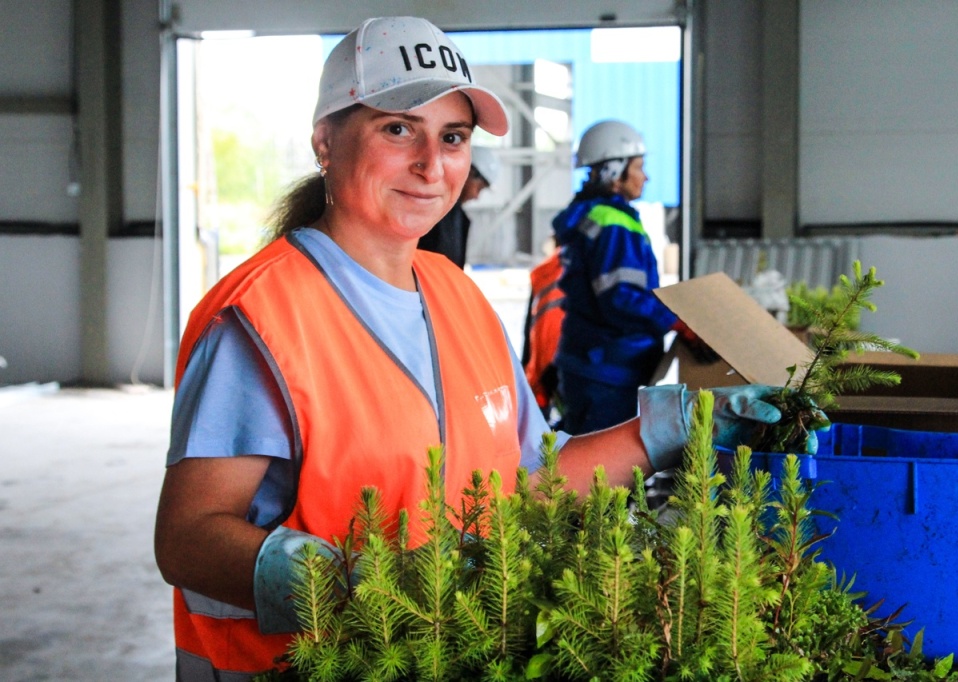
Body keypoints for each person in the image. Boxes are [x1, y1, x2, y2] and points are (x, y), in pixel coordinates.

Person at [153, 17, 790, 681]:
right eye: (398, 129)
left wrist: (673, 426)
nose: (432, 164)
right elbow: (188, 538)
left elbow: (530, 485)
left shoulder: (457, 296)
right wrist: (365, 584)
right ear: (325, 141)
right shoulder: (260, 318)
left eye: (452, 137)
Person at [552, 120, 694, 435]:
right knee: (598, 472)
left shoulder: (591, 215)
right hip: (606, 369)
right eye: (639, 166)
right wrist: (674, 320)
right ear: (614, 172)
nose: (646, 176)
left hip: (591, 363)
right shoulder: (615, 223)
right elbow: (620, 296)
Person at [417, 145, 500, 268]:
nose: (476, 196)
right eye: (479, 188)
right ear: (469, 172)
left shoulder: (457, 215)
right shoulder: (431, 208)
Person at [522, 241, 566, 425]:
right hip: (568, 362)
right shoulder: (582, 265)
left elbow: (530, 334)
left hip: (546, 365)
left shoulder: (543, 273)